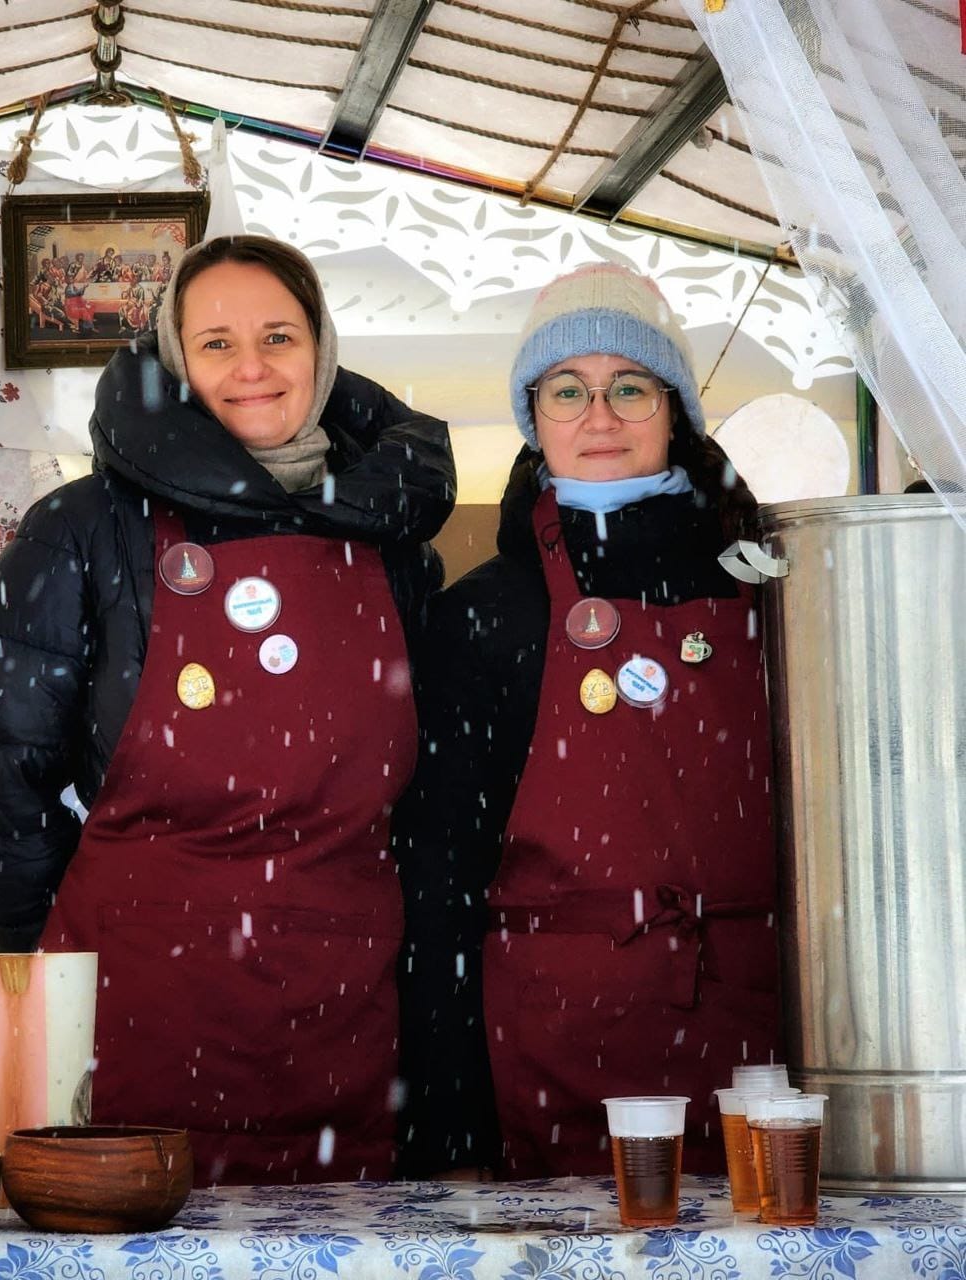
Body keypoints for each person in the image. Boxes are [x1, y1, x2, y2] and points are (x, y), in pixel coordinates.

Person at [0, 234, 456, 1186]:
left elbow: (428, 800)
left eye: (279, 337)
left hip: (339, 1007)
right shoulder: (83, 529)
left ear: (323, 351)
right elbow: (1, 779)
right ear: (175, 360)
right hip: (130, 1006)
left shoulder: (396, 547)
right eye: (216, 342)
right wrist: (52, 971)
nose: (251, 367)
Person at [394, 262, 780, 1179]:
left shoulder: (766, 585)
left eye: (630, 386)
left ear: (675, 410)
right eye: (567, 390)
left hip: (755, 1047)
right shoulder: (486, 614)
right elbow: (439, 879)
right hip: (558, 1044)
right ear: (534, 418)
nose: (599, 415)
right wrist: (451, 1123)